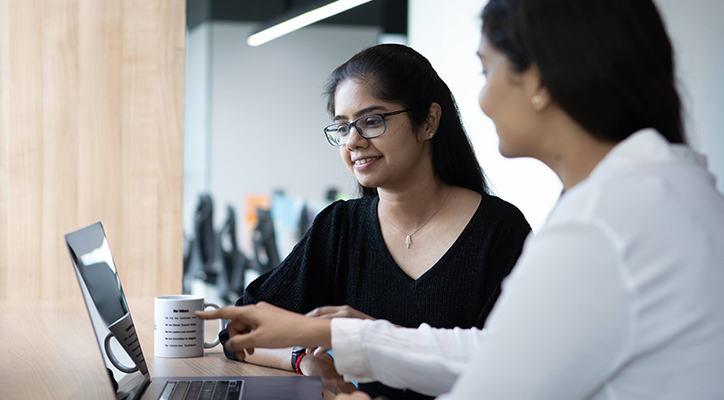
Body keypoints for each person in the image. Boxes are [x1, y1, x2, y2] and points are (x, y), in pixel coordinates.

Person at [200, 0, 724, 399]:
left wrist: (347, 351)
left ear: (537, 80)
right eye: (343, 127)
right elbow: (493, 350)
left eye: (486, 69)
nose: (482, 97)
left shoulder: (607, 223)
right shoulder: (648, 194)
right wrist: (342, 338)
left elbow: (493, 379)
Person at [220, 44, 531, 399]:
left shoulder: (500, 230)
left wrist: (369, 335)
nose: (353, 141)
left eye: (371, 121)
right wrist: (304, 359)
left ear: (428, 121)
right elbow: (239, 330)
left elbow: (509, 369)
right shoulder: (341, 228)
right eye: (342, 127)